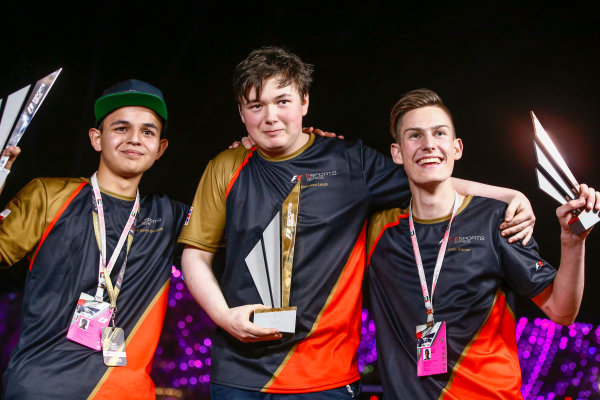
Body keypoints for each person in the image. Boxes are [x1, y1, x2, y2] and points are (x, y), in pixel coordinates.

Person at [178, 46, 535, 398]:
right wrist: (224, 317)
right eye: (256, 106)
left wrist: (507, 195)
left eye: (282, 101)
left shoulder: (352, 163)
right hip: (238, 374)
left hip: (327, 378)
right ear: (242, 113)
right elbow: (195, 254)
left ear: (304, 101)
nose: (270, 117)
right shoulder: (225, 165)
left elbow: (427, 176)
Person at [366, 88, 598, 399]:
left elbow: (562, 311)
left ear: (456, 147)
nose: (429, 144)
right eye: (415, 136)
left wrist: (572, 241)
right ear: (397, 153)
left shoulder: (496, 220)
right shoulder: (378, 229)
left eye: (439, 133)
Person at [0, 79, 188, 400]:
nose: (134, 139)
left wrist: (265, 157)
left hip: (127, 393)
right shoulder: (48, 195)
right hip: (40, 388)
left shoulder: (171, 217)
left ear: (160, 148)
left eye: (147, 131)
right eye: (121, 128)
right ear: (97, 138)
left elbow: (247, 228)